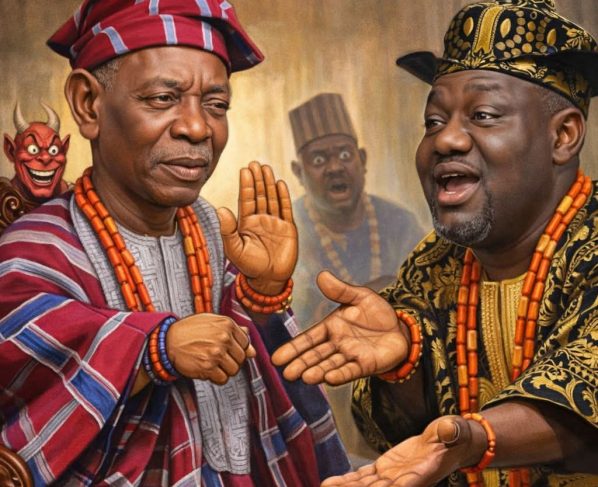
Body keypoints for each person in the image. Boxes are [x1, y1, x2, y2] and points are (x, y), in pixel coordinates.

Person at [0, 0, 350, 485]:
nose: (197, 127)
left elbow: (271, 422)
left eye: (216, 105)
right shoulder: (35, 250)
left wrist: (262, 296)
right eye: (163, 98)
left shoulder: (214, 240)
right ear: (87, 104)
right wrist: (155, 349)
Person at [273, 0, 598, 485]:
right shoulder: (433, 264)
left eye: (483, 115)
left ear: (563, 136)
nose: (446, 140)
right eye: (434, 121)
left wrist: (470, 439)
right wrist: (405, 366)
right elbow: (403, 433)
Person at [288, 93, 424, 466]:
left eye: (345, 155)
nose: (335, 167)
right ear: (299, 172)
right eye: (319, 159)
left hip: (401, 388)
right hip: (321, 396)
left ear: (362, 161)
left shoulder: (400, 224)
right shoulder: (287, 232)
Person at [1, 102, 70, 234]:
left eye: (54, 150)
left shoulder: (76, 199)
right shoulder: (3, 198)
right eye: (33, 149)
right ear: (11, 151)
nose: (45, 158)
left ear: (65, 149)